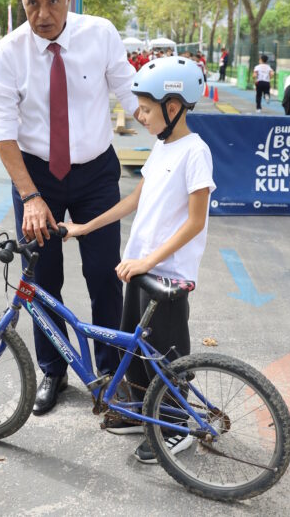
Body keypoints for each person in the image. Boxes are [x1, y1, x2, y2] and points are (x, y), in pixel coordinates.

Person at [0, 0, 139, 416]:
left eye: (53, 1)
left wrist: (175, 142)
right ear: (22, 0)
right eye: (33, 4)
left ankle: (110, 373)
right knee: (42, 279)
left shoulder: (101, 34)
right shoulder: (10, 52)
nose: (44, 14)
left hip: (94, 172)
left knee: (104, 275)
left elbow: (132, 96)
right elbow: (4, 131)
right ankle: (52, 370)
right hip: (36, 178)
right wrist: (30, 196)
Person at [62, 56, 214, 464]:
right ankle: (142, 415)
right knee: (137, 352)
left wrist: (149, 261)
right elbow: (135, 199)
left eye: (145, 108)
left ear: (173, 106)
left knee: (165, 358)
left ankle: (175, 427)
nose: (139, 115)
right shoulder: (164, 147)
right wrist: (86, 226)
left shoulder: (195, 152)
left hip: (166, 277)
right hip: (142, 269)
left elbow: (196, 223)